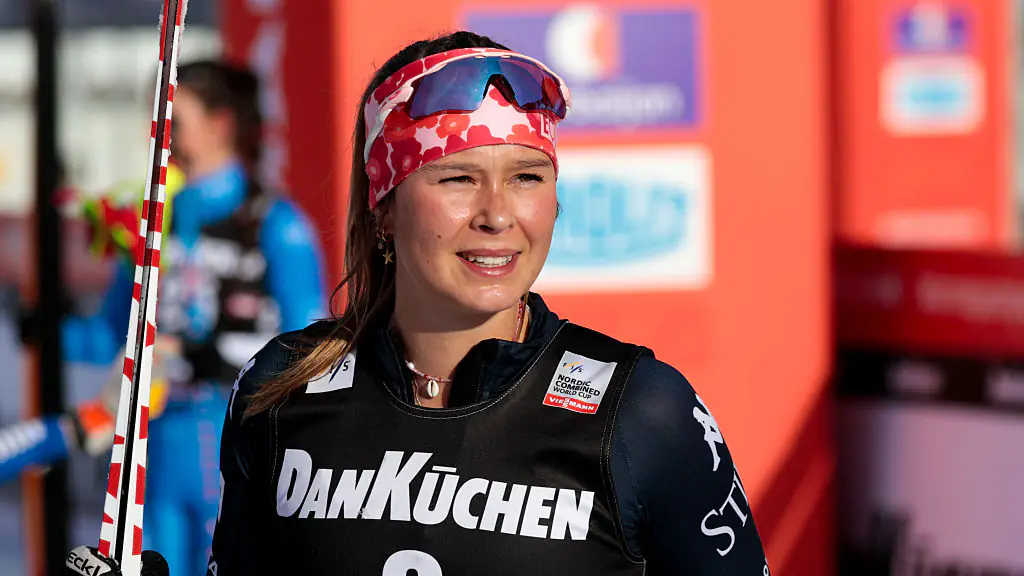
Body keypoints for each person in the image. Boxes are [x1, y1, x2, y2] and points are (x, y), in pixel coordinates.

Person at [208, 32, 769, 575]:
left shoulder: (642, 409)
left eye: (527, 177)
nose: (498, 216)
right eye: (458, 179)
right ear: (386, 207)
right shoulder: (281, 388)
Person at [54, 60, 326, 576]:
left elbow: (310, 351)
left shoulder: (272, 222)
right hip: (153, 444)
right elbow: (114, 333)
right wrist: (48, 327)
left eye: (171, 117)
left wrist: (215, 353)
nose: (155, 132)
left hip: (236, 442)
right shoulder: (154, 219)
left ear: (221, 123)